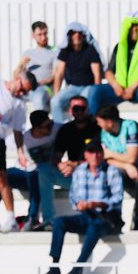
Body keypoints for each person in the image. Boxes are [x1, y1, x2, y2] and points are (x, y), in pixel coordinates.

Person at [45, 141, 123, 274]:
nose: (95, 155)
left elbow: (117, 198)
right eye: (91, 152)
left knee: (95, 227)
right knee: (59, 222)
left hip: (106, 217)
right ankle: (54, 265)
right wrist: (79, 204)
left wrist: (98, 204)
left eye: (98, 152)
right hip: (86, 215)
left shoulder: (112, 171)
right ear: (86, 155)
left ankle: (79, 265)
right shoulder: (80, 171)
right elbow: (73, 195)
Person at [94, 12, 138, 135]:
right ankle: (95, 129)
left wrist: (133, 87)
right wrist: (116, 85)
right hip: (122, 89)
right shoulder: (121, 46)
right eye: (132, 25)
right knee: (95, 91)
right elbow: (109, 71)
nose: (135, 29)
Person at [96, 104, 138, 230]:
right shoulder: (104, 133)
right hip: (126, 167)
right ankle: (113, 215)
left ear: (110, 122)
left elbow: (131, 157)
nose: (98, 125)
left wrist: (111, 154)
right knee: (111, 173)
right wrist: (126, 165)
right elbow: (107, 160)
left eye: (100, 122)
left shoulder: (130, 126)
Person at [36, 95, 99, 231]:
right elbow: (56, 157)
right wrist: (61, 165)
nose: (79, 112)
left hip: (93, 176)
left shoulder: (96, 128)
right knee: (44, 170)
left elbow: (100, 158)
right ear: (70, 111)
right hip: (73, 176)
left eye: (82, 108)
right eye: (76, 108)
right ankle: (49, 220)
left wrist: (76, 165)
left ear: (87, 109)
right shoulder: (66, 130)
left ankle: (92, 220)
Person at [0, 109, 53, 230]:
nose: (50, 128)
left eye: (50, 124)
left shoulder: (56, 129)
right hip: (25, 174)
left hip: (44, 175)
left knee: (38, 175)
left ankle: (32, 217)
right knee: (2, 177)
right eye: (46, 126)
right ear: (36, 128)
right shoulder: (25, 139)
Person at [0, 73, 34, 231]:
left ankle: (10, 218)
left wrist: (20, 152)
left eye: (25, 92)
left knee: (0, 178)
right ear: (17, 79)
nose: (21, 93)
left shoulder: (19, 104)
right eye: (22, 89)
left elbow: (18, 131)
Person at [50, 23, 105, 124]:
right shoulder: (65, 50)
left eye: (79, 33)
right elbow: (59, 73)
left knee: (82, 104)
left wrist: (97, 92)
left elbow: (97, 75)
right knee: (55, 102)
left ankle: (90, 127)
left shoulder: (90, 49)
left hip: (89, 87)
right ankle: (59, 130)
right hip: (73, 87)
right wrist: (56, 94)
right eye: (73, 33)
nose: (77, 35)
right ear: (69, 36)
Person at [15, 21, 56, 111]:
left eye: (45, 34)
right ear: (33, 35)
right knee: (12, 96)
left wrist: (36, 84)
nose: (43, 37)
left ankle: (40, 124)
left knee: (38, 97)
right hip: (27, 89)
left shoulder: (54, 52)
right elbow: (15, 76)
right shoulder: (28, 53)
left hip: (44, 88)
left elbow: (54, 76)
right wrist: (21, 65)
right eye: (40, 35)